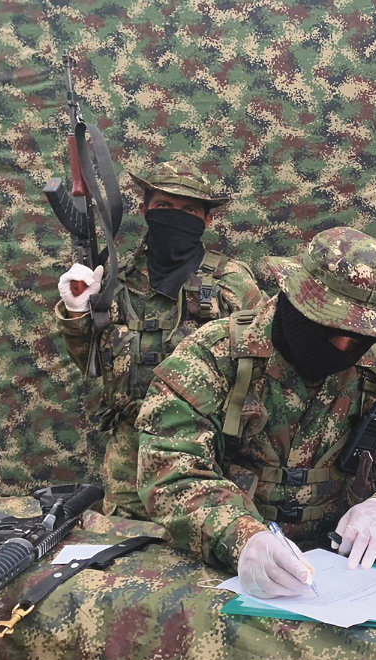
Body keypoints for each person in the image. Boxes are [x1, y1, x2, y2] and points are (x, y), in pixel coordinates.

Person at [136, 226, 376, 597]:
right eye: (330, 326)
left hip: (345, 576)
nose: (343, 345)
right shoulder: (213, 356)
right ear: (294, 299)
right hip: (226, 569)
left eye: (358, 335)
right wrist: (243, 538)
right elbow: (168, 468)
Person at [55, 159, 264, 520]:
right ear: (145, 209)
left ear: (206, 219)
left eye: (188, 209)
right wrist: (76, 310)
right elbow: (91, 363)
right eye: (164, 206)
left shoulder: (231, 282)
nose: (175, 216)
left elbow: (260, 369)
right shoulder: (113, 279)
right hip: (129, 461)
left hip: (205, 458)